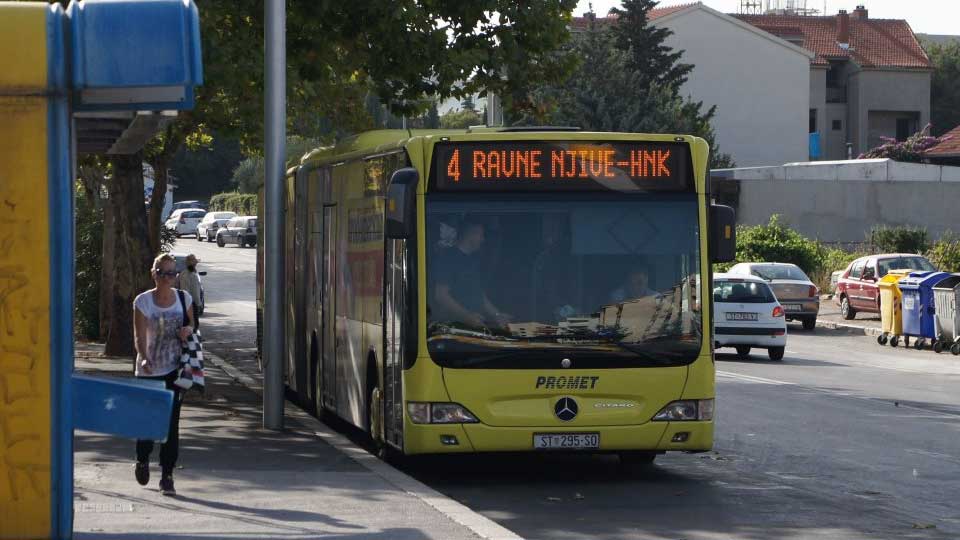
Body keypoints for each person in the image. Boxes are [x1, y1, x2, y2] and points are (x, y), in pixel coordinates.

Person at [133, 253, 195, 496]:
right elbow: (139, 335)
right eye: (162, 273)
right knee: (148, 420)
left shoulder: (184, 298)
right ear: (153, 273)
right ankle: (142, 458)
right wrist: (144, 356)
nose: (166, 278)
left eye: (171, 273)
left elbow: (194, 325)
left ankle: (167, 475)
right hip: (148, 370)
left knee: (171, 423)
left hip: (176, 369)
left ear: (176, 276)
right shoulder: (143, 301)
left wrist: (188, 329)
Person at [433, 220, 511, 329]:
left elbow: (478, 293)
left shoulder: (473, 260)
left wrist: (497, 315)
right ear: (471, 234)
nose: (483, 240)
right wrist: (468, 317)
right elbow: (441, 295)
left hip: (473, 326)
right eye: (481, 235)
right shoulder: (448, 258)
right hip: (454, 328)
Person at [177, 254, 203, 330]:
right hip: (190, 303)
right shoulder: (187, 274)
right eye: (194, 262)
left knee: (194, 323)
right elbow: (187, 291)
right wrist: (196, 303)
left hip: (192, 302)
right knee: (192, 325)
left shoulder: (191, 273)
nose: (195, 264)